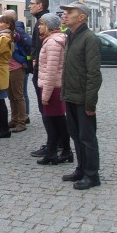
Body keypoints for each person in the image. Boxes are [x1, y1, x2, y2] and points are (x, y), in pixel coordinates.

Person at [60, 1, 103, 190]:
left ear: (82, 17)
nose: (65, 14)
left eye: (70, 12)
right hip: (70, 95)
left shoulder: (89, 38)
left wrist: (90, 103)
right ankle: (81, 168)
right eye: (65, 12)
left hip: (82, 98)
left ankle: (92, 175)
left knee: (87, 138)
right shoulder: (70, 36)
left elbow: (94, 74)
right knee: (76, 136)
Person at [36, 14, 73, 165]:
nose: (39, 27)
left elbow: (51, 71)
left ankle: (53, 152)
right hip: (54, 86)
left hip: (52, 87)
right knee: (58, 120)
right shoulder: (54, 40)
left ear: (50, 26)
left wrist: (45, 95)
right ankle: (65, 151)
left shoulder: (52, 43)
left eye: (42, 24)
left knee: (53, 121)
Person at [28, 0, 54, 158]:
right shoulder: (40, 21)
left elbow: (40, 50)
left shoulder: (43, 22)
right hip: (40, 71)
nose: (29, 6)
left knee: (47, 110)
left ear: (41, 6)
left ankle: (53, 143)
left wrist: (35, 64)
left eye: (32, 3)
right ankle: (53, 141)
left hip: (43, 74)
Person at [4, 9, 32, 126]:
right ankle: (14, 119)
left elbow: (28, 45)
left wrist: (24, 59)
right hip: (9, 68)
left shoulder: (17, 33)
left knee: (19, 95)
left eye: (2, 21)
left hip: (17, 67)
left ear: (9, 23)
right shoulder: (4, 34)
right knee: (11, 96)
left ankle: (22, 120)